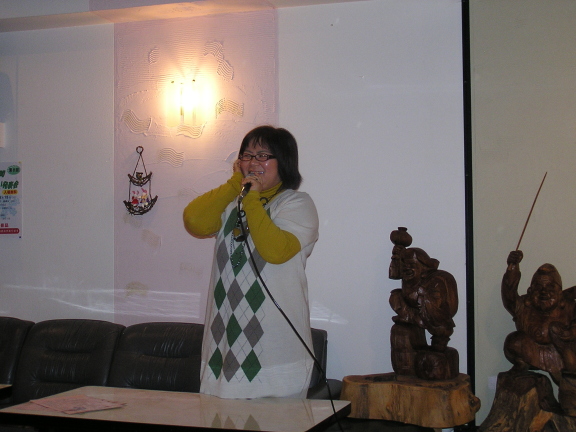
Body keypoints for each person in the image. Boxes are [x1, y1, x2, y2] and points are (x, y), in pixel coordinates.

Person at [183, 125, 319, 399]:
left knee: (277, 419)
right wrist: (236, 184)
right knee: (219, 417)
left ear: (284, 161)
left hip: (274, 347)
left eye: (263, 155)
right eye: (247, 155)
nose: (253, 162)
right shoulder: (232, 204)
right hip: (225, 343)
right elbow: (195, 221)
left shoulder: (297, 204)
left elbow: (275, 252)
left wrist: (252, 199)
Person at [388, 230, 459, 380]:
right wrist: (396, 255)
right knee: (395, 296)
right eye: (405, 265)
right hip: (413, 311)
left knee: (439, 330)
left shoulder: (435, 281)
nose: (407, 268)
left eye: (412, 265)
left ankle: (438, 343)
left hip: (433, 316)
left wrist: (421, 296)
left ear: (424, 267)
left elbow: (439, 309)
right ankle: (411, 318)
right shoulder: (407, 278)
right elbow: (394, 274)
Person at [502, 250, 576, 384]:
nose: (544, 291)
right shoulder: (524, 305)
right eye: (538, 287)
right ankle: (522, 364)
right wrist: (512, 267)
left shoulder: (569, 306)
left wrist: (570, 333)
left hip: (560, 355)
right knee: (513, 341)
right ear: (531, 290)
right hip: (530, 351)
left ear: (559, 292)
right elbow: (509, 296)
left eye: (550, 287)